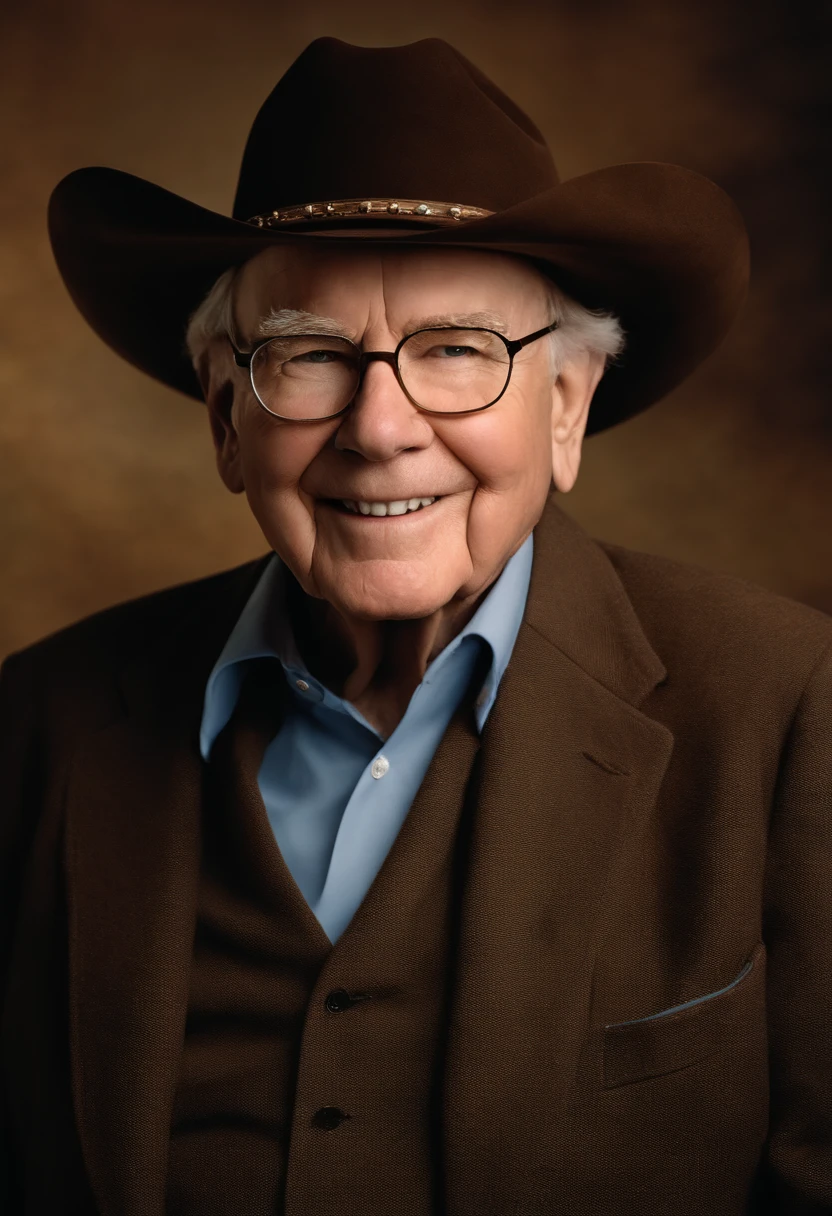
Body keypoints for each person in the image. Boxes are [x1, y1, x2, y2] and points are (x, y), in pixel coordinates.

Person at [2, 35, 830, 1216]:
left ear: (564, 407)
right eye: (307, 354)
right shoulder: (36, 723)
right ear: (227, 421)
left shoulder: (785, 703)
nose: (379, 426)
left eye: (457, 352)